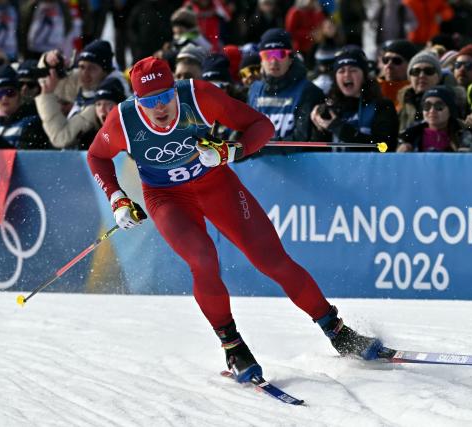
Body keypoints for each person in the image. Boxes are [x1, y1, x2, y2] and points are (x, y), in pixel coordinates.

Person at [86, 56, 385, 383]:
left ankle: (337, 331)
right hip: (167, 198)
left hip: (217, 185)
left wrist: (232, 151)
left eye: (164, 97)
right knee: (203, 260)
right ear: (136, 101)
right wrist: (117, 198)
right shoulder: (124, 120)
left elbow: (262, 127)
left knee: (272, 260)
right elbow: (97, 156)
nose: (159, 107)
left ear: (175, 89)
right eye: (149, 101)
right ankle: (233, 347)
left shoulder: (198, 96)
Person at [310, 46, 398, 150]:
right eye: (341, 71)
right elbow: (317, 152)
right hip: (335, 166)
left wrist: (339, 128)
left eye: (353, 70)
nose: (347, 75)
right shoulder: (331, 108)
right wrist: (319, 127)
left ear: (364, 76)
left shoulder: (382, 107)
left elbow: (384, 147)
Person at [247, 28, 324, 142]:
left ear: (290, 59)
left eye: (280, 54)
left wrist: (259, 147)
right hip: (259, 159)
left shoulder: (307, 91)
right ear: (261, 60)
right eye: (267, 55)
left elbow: (301, 140)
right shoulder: (254, 89)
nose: (273, 61)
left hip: (297, 160)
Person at [397, 85, 472, 152]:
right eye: (427, 106)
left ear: (450, 110)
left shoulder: (463, 136)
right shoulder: (409, 136)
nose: (432, 111)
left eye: (439, 106)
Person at [397, 50, 442, 132]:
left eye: (428, 71)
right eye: (416, 71)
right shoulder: (401, 106)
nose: (422, 76)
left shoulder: (451, 102)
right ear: (410, 78)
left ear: (438, 77)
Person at [377, 39, 419, 110]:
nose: (389, 65)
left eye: (396, 61)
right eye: (385, 60)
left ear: (410, 66)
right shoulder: (372, 90)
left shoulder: (416, 94)